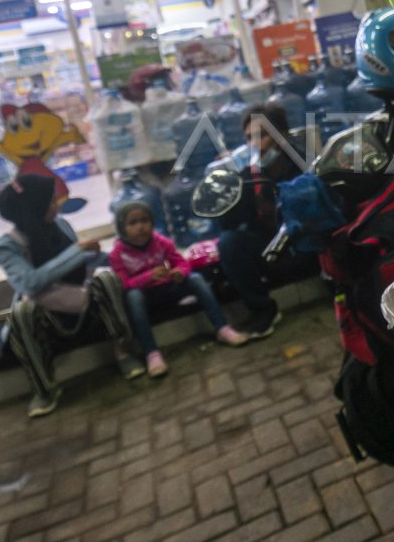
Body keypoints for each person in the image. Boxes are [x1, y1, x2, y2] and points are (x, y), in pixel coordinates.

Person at [0, 173, 144, 418]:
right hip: (46, 313)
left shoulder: (60, 225)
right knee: (22, 312)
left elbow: (81, 261)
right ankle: (44, 388)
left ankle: (124, 352)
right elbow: (30, 283)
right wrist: (77, 251)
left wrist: (116, 257)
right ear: (34, 207)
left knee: (106, 278)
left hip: (79, 298)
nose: (56, 206)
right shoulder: (6, 246)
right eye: (51, 201)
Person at [109, 201, 248, 377]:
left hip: (167, 288)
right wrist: (148, 277)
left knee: (196, 279)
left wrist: (180, 272)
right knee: (133, 297)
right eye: (133, 223)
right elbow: (123, 284)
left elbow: (181, 262)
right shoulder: (117, 254)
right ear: (122, 228)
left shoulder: (161, 241)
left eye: (145, 220)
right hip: (146, 297)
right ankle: (151, 352)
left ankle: (222, 328)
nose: (141, 227)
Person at [217, 101, 319, 338]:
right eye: (249, 138)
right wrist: (236, 187)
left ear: (281, 135)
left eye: (262, 135)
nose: (255, 144)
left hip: (305, 246)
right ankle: (263, 310)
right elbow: (229, 222)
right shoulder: (250, 174)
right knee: (229, 243)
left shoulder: (302, 162)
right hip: (273, 248)